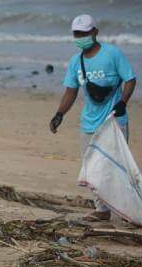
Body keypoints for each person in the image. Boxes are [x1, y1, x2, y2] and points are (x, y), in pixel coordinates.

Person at [49, 14, 137, 222]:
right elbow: (70, 92)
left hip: (114, 122)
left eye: (85, 33)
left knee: (117, 168)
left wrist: (122, 103)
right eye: (77, 34)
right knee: (92, 169)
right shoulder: (75, 62)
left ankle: (128, 209)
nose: (81, 37)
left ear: (95, 32)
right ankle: (102, 210)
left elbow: (130, 79)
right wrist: (59, 114)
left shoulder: (112, 54)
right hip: (88, 124)